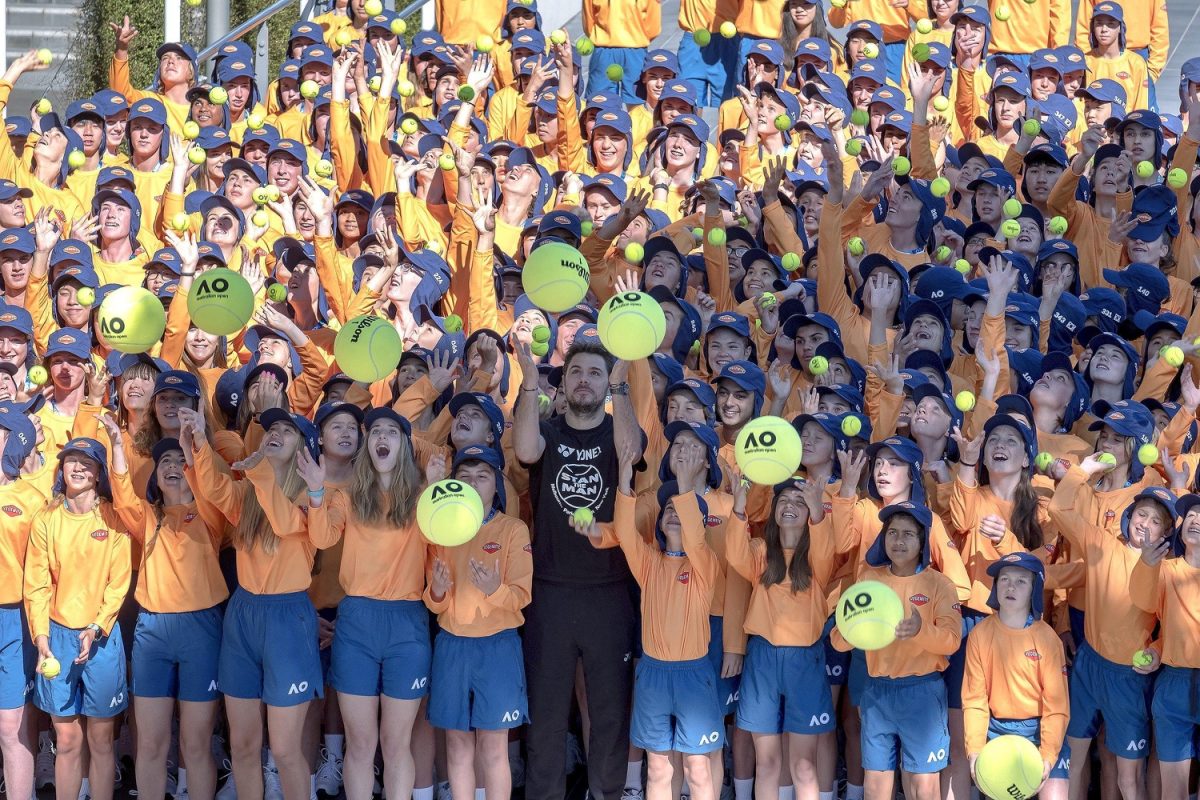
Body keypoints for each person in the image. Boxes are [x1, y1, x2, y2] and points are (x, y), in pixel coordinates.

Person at [512, 330, 643, 800]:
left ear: (607, 382)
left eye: (595, 373)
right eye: (576, 372)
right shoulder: (547, 431)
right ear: (564, 382)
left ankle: (607, 793)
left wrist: (622, 386)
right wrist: (530, 382)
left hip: (609, 591)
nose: (584, 380)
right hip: (549, 591)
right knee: (546, 713)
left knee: (609, 712)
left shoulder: (617, 426)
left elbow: (632, 451)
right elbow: (525, 451)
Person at [24, 438, 131, 800]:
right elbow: (37, 585)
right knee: (67, 739)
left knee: (101, 739)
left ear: (99, 473)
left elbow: (118, 582)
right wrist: (41, 639)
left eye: (88, 462)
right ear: (62, 468)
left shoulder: (113, 518)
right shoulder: (46, 519)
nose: (79, 468)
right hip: (58, 638)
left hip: (101, 639)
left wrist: (97, 626)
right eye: (72, 460)